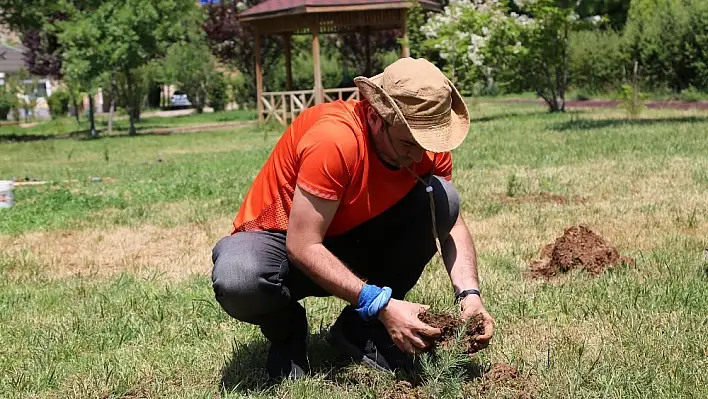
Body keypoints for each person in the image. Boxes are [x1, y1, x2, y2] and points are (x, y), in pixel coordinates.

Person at [211, 57, 495, 380]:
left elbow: (450, 224)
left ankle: (360, 329)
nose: (419, 155)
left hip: (353, 238)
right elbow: (302, 246)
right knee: (239, 276)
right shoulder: (335, 140)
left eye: (425, 144)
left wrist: (470, 296)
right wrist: (382, 304)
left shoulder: (423, 144)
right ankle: (288, 335)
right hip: (285, 244)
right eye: (408, 143)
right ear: (376, 116)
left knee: (445, 199)